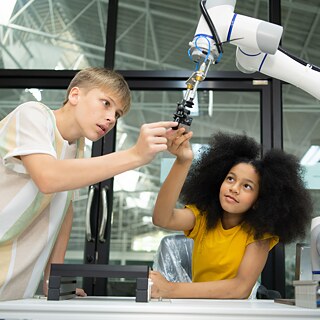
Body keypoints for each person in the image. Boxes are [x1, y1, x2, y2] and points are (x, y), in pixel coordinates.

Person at [0, 67, 178, 301]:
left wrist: (54, 279)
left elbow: (64, 211)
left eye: (118, 113)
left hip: (17, 284)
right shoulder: (32, 115)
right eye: (106, 103)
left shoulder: (77, 148)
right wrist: (135, 155)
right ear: (75, 95)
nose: (111, 118)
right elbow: (48, 178)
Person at [150, 128, 312, 299]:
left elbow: (240, 288)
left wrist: (170, 289)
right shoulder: (202, 218)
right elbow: (162, 218)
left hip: (239, 311)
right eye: (230, 179)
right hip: (199, 306)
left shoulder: (259, 235)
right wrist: (183, 161)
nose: (234, 189)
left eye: (247, 186)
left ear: (259, 200)